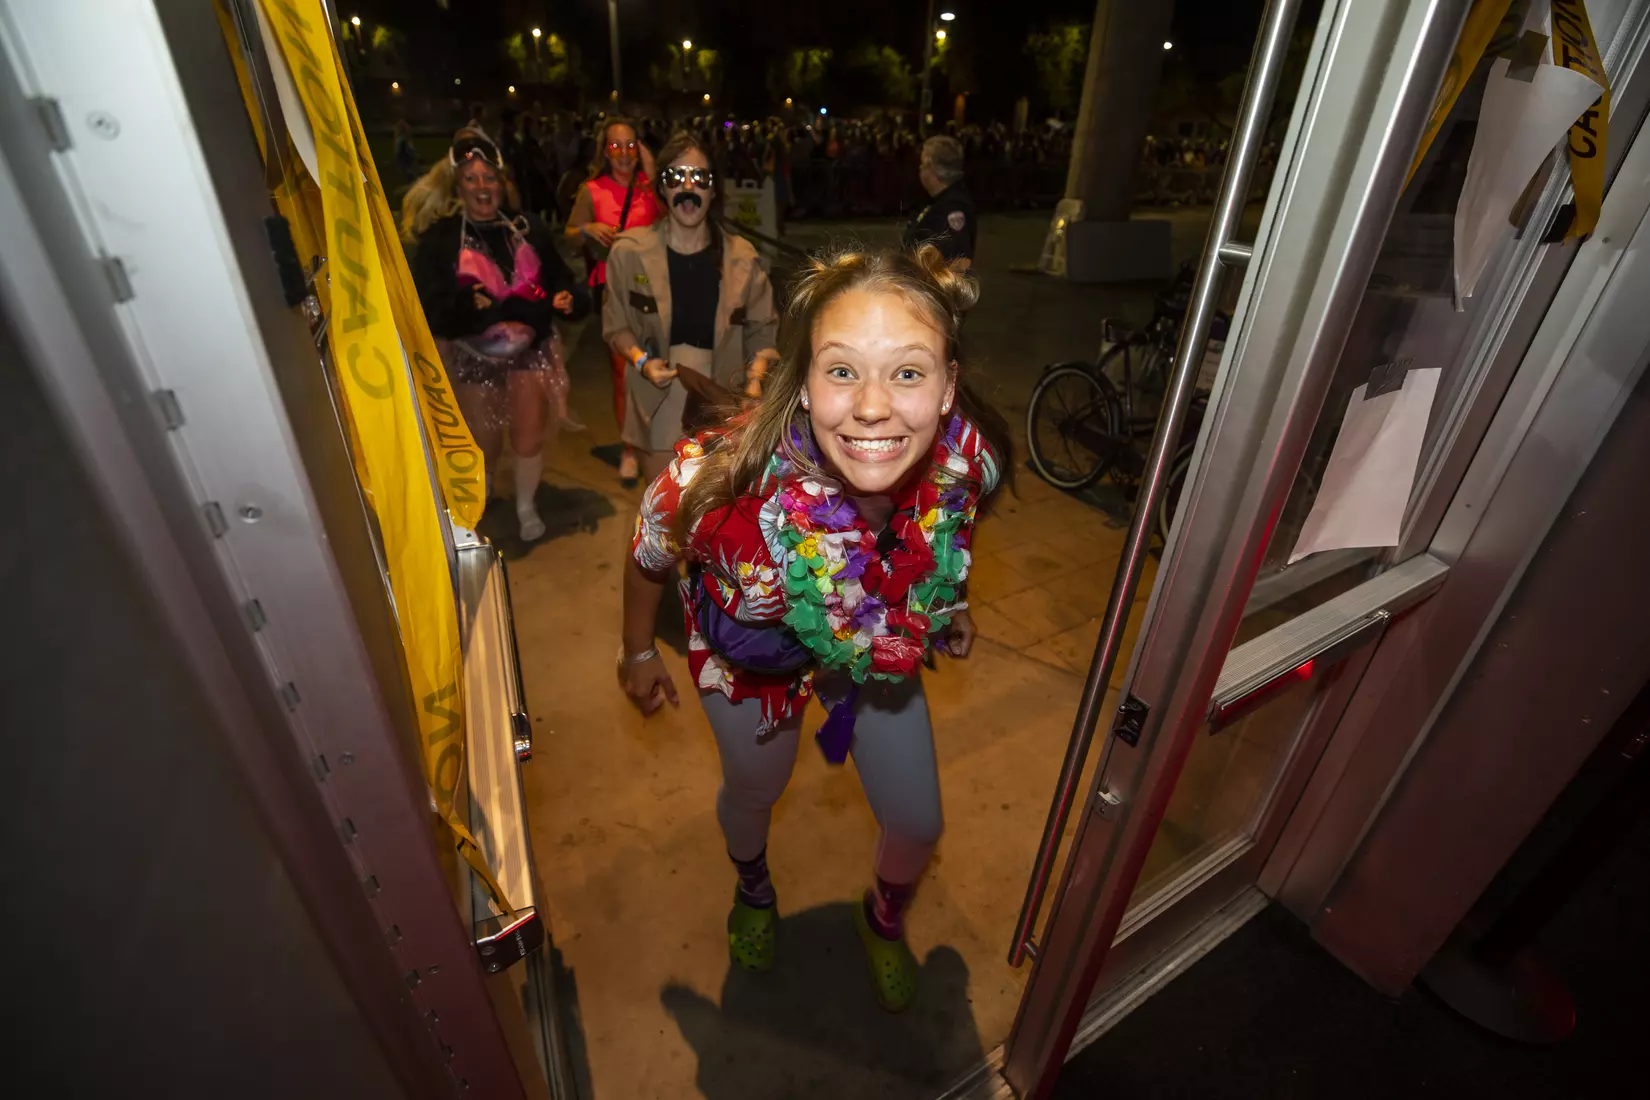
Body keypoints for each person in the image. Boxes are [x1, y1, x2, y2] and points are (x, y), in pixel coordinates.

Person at [620, 244, 1005, 1012]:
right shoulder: (711, 483)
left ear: (947, 386)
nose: (872, 407)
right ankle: (754, 890)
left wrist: (949, 604)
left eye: (907, 371)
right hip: (753, 669)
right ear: (802, 383)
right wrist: (635, 649)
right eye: (841, 370)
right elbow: (647, 558)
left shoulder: (963, 465)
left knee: (918, 821)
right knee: (756, 789)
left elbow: (949, 538)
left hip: (867, 660)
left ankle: (883, 921)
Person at [404, 129, 590, 541]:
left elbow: (567, 282)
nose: (482, 187)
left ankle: (526, 506)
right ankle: (479, 498)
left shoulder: (530, 229)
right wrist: (464, 306)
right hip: (473, 355)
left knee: (528, 435)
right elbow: (427, 308)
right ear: (457, 185)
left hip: (531, 353)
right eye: (471, 178)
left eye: (489, 177)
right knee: (482, 443)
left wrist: (570, 299)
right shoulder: (442, 239)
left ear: (502, 183)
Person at [602, 131, 779, 486]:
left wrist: (755, 385)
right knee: (661, 518)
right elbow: (616, 325)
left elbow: (763, 332)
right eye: (675, 177)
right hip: (658, 401)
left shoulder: (743, 258)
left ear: (713, 191)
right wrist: (641, 361)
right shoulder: (628, 253)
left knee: (709, 524)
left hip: (721, 404)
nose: (688, 186)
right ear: (662, 189)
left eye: (700, 178)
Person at [566, 118, 662, 487]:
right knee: (624, 374)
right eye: (615, 146)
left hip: (657, 293)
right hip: (618, 295)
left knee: (662, 369)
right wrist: (588, 229)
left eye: (630, 145)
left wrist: (654, 176)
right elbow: (571, 235)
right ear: (604, 151)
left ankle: (660, 439)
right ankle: (628, 448)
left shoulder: (650, 189)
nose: (623, 153)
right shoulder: (592, 190)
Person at [903, 136, 977, 268]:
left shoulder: (953, 207)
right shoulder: (937, 201)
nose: (919, 168)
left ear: (931, 168)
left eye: (922, 164)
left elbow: (960, 261)